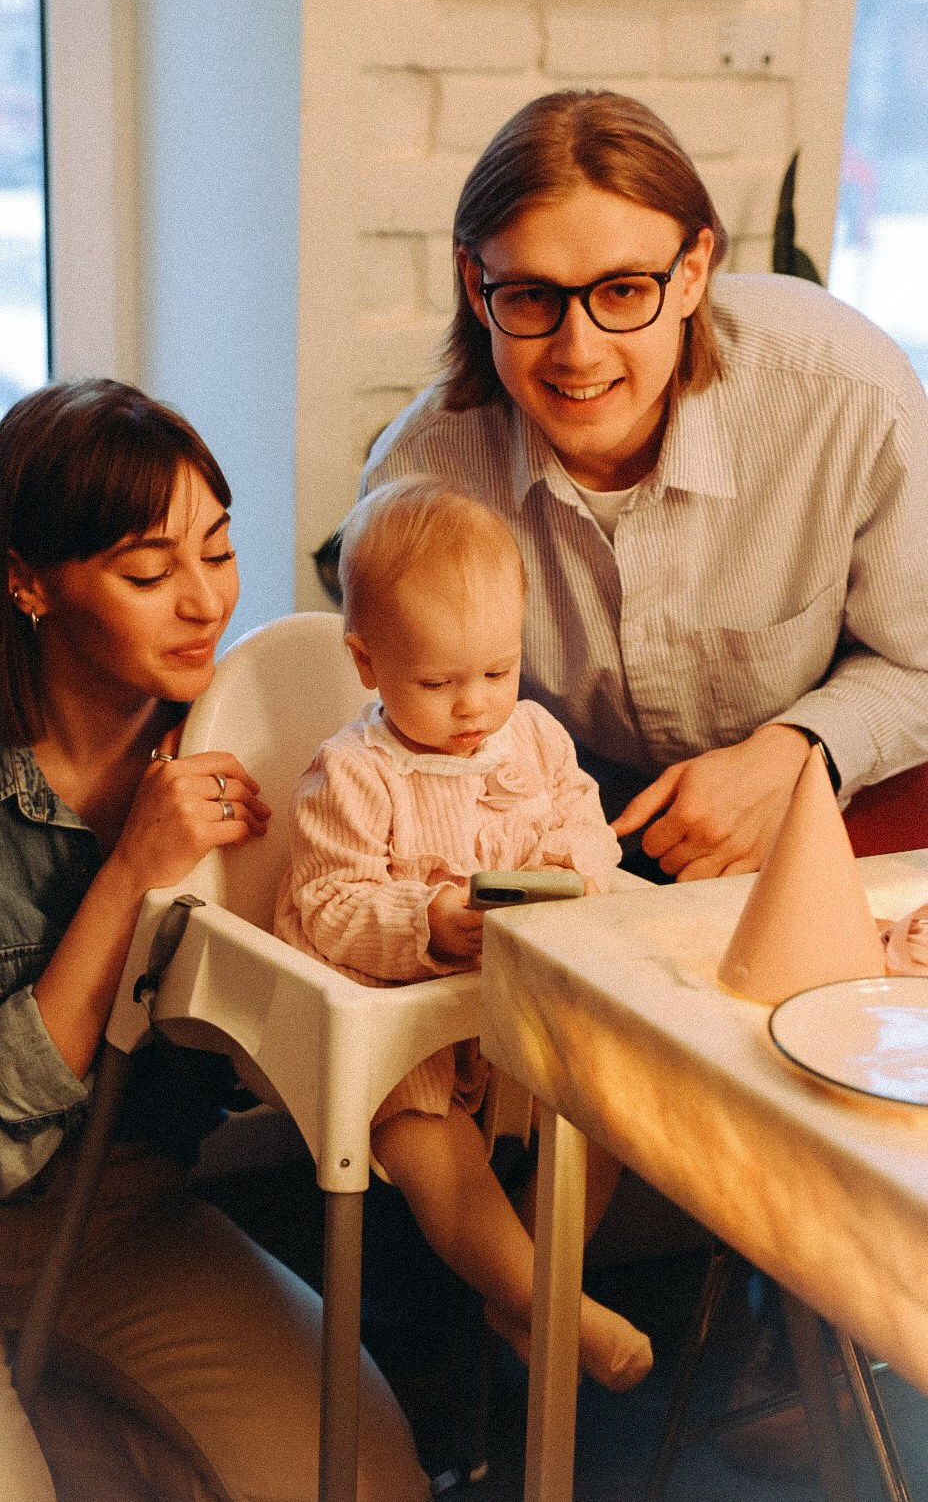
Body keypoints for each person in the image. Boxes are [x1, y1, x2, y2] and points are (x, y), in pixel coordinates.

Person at [0, 380, 430, 1502]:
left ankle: (64, 1428)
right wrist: (129, 875)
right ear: (28, 581)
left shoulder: (259, 748)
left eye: (218, 551)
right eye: (149, 573)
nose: (205, 602)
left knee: (367, 1477)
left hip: (125, 1210)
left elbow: (271, 1056)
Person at [362, 89, 928, 883]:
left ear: (693, 272)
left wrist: (801, 752)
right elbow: (392, 720)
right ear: (473, 284)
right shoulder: (418, 477)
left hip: (846, 807)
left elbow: (921, 661)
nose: (578, 353)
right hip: (569, 843)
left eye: (623, 291)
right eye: (531, 297)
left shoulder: (850, 395)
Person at [275, 479, 653, 1391]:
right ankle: (550, 1307)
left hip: (517, 998)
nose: (475, 704)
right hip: (402, 1013)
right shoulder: (356, 773)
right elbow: (327, 905)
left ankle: (522, 1284)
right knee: (423, 1141)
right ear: (367, 665)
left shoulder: (534, 738)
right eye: (438, 683)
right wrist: (429, 924)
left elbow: (585, 832)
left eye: (498, 670)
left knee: (603, 1111)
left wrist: (574, 875)